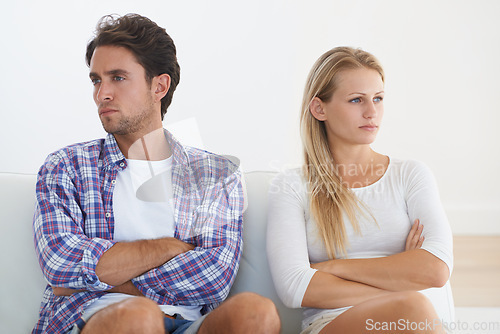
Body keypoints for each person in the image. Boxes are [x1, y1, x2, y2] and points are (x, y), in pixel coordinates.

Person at [32, 14, 280, 334]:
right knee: (139, 316)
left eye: (118, 77)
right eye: (96, 80)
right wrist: (168, 248)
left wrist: (105, 277)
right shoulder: (65, 167)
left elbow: (214, 277)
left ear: (158, 86)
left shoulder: (216, 174)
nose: (101, 93)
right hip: (97, 320)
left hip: (189, 324)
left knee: (256, 313)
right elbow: (62, 269)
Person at [266, 47, 454, 334]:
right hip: (331, 322)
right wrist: (399, 275)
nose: (372, 112)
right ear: (319, 108)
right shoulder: (291, 186)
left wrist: (333, 267)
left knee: (412, 311)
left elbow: (436, 269)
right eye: (357, 100)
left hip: (411, 322)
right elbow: (294, 287)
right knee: (412, 309)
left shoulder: (411, 174)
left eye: (378, 99)